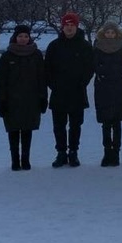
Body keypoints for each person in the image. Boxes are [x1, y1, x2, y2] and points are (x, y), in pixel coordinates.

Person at [45, 11, 95, 168]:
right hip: (59, 92)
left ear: (77, 26)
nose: (69, 28)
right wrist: (53, 84)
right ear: (62, 27)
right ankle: (61, 152)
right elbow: (47, 68)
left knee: (75, 125)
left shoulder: (85, 46)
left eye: (72, 25)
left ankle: (73, 152)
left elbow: (90, 68)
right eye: (66, 25)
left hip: (77, 92)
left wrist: (82, 83)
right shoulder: (54, 46)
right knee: (58, 126)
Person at [0, 23, 47, 171]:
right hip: (12, 100)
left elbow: (42, 78)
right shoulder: (7, 56)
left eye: (26, 36)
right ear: (15, 37)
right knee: (13, 130)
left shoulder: (36, 55)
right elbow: (1, 81)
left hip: (31, 99)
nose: (23, 39)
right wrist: (1, 100)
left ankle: (25, 159)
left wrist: (43, 97)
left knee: (27, 129)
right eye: (20, 36)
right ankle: (15, 160)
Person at [92, 21, 122, 167]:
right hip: (103, 88)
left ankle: (116, 152)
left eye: (112, 32)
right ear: (103, 33)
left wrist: (109, 70)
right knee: (106, 122)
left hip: (119, 88)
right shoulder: (97, 48)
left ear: (116, 34)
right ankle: (107, 151)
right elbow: (95, 67)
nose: (110, 35)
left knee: (117, 122)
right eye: (107, 32)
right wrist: (106, 71)